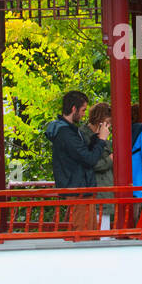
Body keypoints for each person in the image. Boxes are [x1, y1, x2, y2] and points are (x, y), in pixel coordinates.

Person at [44, 90, 109, 231]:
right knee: (83, 233)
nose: (85, 114)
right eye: (83, 110)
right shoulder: (66, 133)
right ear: (74, 109)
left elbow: (82, 153)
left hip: (80, 188)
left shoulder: (70, 131)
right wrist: (102, 140)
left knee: (89, 232)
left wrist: (96, 138)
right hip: (77, 189)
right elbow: (89, 159)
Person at [79, 102, 115, 229]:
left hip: (105, 188)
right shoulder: (83, 136)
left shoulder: (105, 137)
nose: (109, 127)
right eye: (108, 123)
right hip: (95, 188)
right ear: (100, 120)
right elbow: (90, 162)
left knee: (104, 225)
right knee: (99, 229)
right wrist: (110, 160)